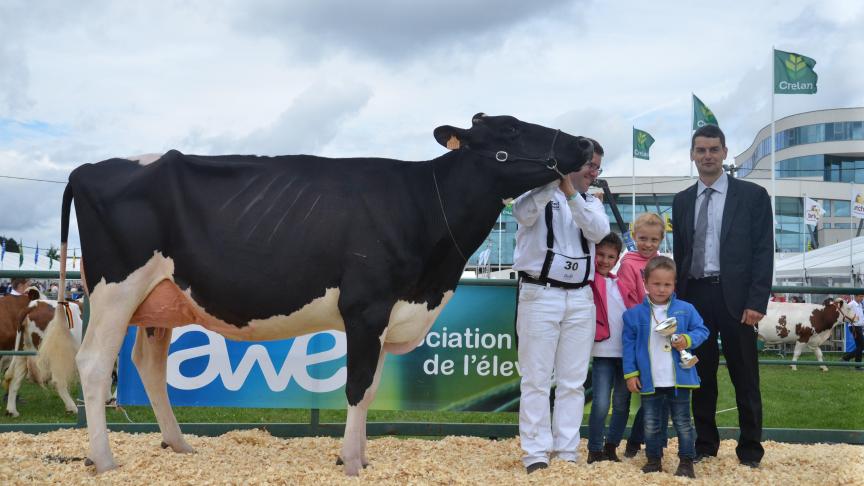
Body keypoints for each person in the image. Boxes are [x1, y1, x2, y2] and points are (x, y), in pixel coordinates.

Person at [672, 124, 773, 468]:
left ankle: (749, 451)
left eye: (714, 149)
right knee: (700, 376)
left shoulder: (753, 196)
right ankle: (704, 444)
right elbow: (682, 254)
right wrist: (679, 304)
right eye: (701, 150)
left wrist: (756, 302)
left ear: (725, 153)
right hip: (695, 299)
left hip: (738, 301)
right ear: (692, 155)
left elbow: (763, 252)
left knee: (745, 376)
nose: (707, 156)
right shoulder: (682, 200)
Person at [512, 139, 610, 473]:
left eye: (597, 167)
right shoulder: (536, 193)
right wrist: (554, 183)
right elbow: (523, 215)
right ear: (572, 162)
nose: (593, 173)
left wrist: (571, 194)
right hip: (540, 293)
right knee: (537, 378)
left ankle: (567, 451)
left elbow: (598, 232)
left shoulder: (591, 203)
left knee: (573, 380)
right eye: (589, 165)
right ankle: (536, 453)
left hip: (580, 296)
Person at [623, 256, 708, 478]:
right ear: (646, 283)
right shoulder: (633, 315)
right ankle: (653, 460)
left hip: (680, 379)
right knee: (651, 424)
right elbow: (629, 348)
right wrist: (631, 374)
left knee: (683, 423)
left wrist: (687, 340)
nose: (661, 289)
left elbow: (702, 330)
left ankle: (687, 461)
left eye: (667, 284)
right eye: (656, 284)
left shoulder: (686, 309)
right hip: (650, 380)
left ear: (674, 284)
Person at [617, 212, 666, 457]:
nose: (647, 244)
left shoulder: (663, 264)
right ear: (634, 236)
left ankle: (646, 440)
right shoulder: (628, 263)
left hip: (661, 337)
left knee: (660, 391)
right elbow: (625, 299)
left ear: (661, 240)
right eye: (643, 238)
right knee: (643, 391)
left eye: (653, 240)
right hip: (639, 334)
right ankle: (632, 442)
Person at [587, 231, 632, 463]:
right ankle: (594, 449)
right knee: (601, 403)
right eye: (600, 254)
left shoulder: (620, 284)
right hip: (603, 353)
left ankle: (611, 446)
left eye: (610, 257)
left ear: (617, 259)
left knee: (622, 403)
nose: (605, 260)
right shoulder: (589, 281)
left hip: (626, 354)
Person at [841, 293, 864, 370]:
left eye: (863, 296)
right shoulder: (851, 304)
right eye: (860, 296)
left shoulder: (860, 304)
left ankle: (856, 365)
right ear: (856, 296)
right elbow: (844, 313)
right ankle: (846, 358)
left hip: (859, 327)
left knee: (860, 346)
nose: (862, 298)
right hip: (854, 327)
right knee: (861, 346)